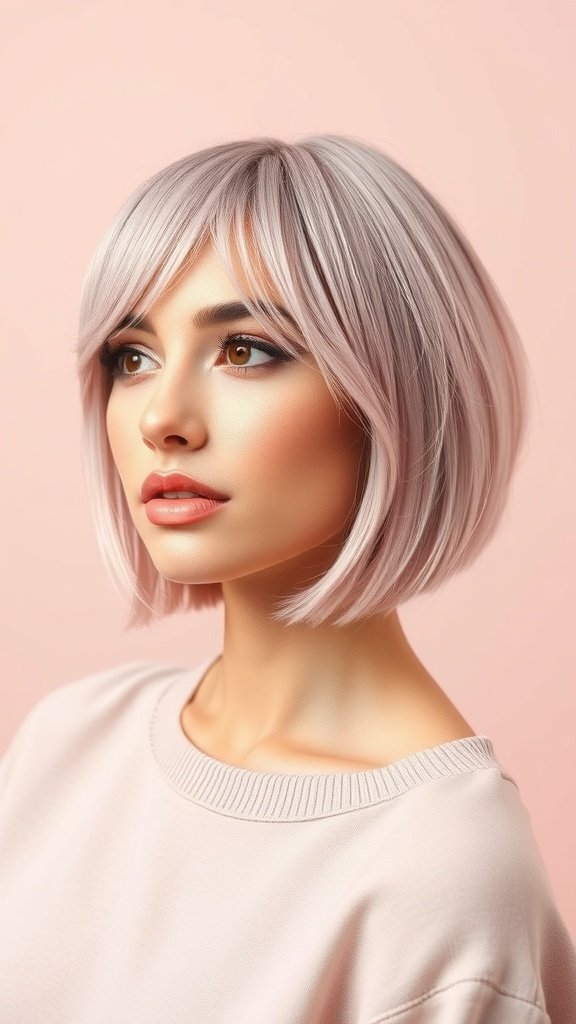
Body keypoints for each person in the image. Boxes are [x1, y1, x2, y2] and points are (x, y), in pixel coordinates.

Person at [1, 134, 574, 1022]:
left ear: (398, 391)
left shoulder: (441, 870)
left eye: (246, 351)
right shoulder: (71, 741)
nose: (163, 418)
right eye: (132, 355)